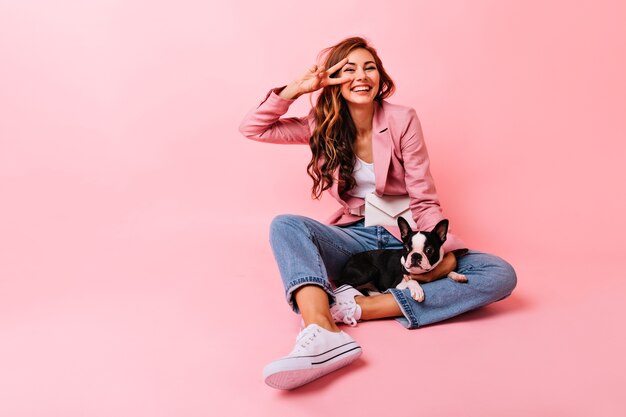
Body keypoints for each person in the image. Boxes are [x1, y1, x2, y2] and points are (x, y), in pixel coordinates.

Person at [238, 36, 517, 390]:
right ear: (333, 79)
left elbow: (423, 197)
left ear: (380, 76)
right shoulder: (320, 125)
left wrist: (441, 255)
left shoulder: (402, 119)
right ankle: (322, 331)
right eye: (349, 69)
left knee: (499, 273)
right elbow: (253, 128)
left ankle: (354, 309)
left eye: (369, 67)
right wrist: (295, 89)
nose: (361, 75)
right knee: (286, 226)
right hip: (355, 239)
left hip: (408, 239)